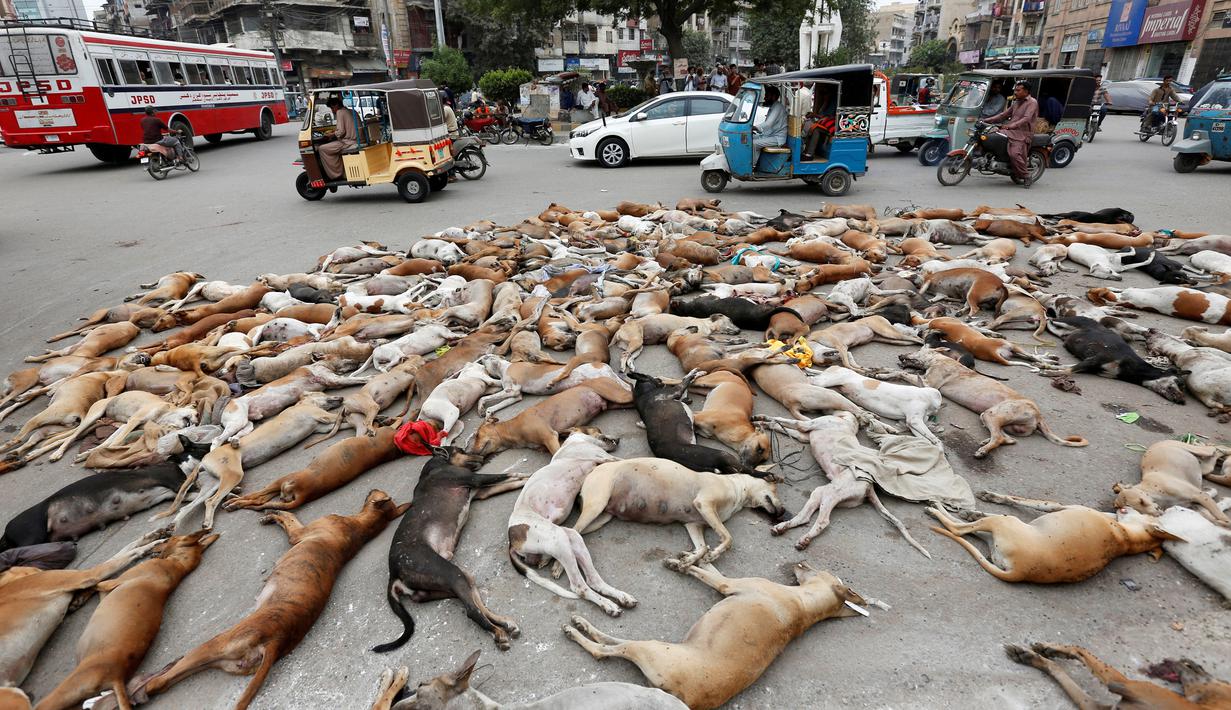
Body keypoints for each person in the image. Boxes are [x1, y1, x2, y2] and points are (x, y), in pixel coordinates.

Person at [984, 81, 1039, 185]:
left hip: (1022, 134)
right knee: (991, 136)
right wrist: (986, 120)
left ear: (1026, 91)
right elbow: (1003, 115)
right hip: (1010, 131)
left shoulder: (1032, 102)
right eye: (1015, 90)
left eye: (1018, 90)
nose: (1015, 92)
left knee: (1014, 154)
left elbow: (1026, 118)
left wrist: (1011, 126)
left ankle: (1026, 176)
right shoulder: (1016, 102)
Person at [318, 96, 357, 180]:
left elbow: (341, 132)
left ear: (336, 105)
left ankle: (336, 174)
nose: (332, 111)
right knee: (332, 146)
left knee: (322, 148)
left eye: (332, 108)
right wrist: (335, 133)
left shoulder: (340, 112)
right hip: (354, 140)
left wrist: (331, 135)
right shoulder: (351, 111)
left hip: (349, 143)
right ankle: (341, 170)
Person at [751, 85, 787, 168]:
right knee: (750, 138)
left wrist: (755, 127)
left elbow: (768, 124)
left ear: (773, 96)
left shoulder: (778, 107)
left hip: (777, 138)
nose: (764, 98)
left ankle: (752, 166)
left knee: (753, 144)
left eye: (766, 96)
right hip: (771, 135)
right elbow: (769, 126)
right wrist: (757, 131)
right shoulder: (774, 106)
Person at [802, 86, 836, 160]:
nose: (824, 96)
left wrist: (814, 115)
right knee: (807, 124)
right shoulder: (825, 103)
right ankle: (805, 150)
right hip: (823, 122)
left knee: (816, 129)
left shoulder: (832, 103)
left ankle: (809, 154)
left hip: (831, 124)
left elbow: (827, 116)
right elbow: (821, 114)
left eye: (825, 94)